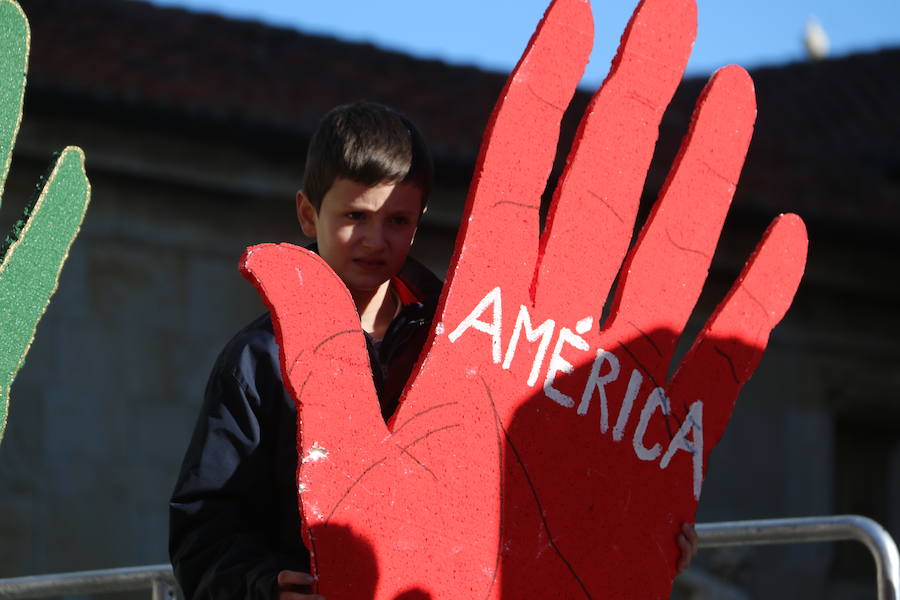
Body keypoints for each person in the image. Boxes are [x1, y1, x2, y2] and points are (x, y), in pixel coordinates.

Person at [168, 101, 698, 600]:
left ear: (418, 222)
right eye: (355, 216)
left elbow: (541, 481)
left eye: (397, 220)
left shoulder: (471, 343)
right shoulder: (257, 359)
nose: (375, 240)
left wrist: (640, 532)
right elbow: (204, 524)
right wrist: (260, 585)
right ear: (308, 215)